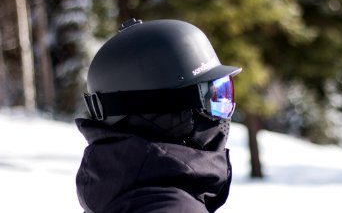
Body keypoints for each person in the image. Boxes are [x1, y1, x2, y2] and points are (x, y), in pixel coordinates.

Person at [76, 18, 242, 213]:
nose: (226, 110)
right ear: (167, 110)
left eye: (226, 92)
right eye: (216, 94)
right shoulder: (177, 209)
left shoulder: (114, 195)